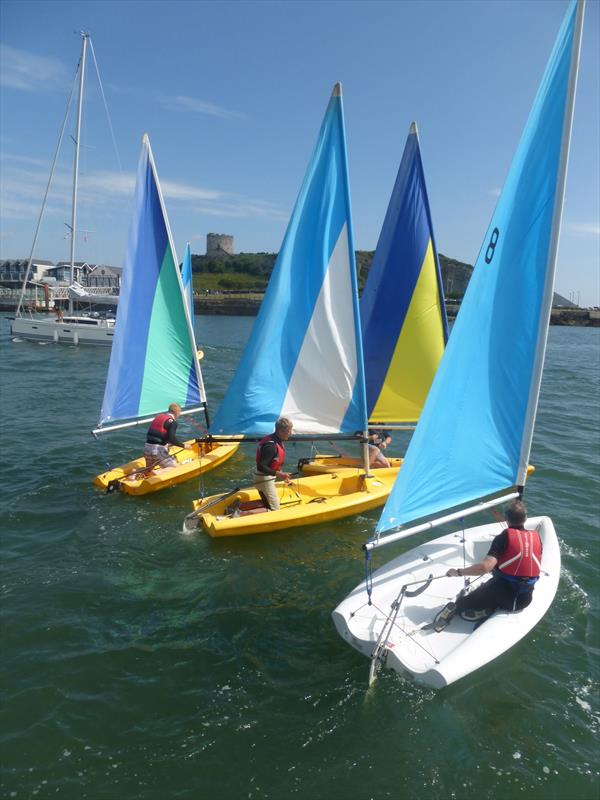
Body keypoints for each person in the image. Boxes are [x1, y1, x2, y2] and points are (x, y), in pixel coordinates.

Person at [433, 499, 543, 631]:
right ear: (525, 518)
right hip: (526, 599)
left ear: (506, 519)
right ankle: (490, 602)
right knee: (490, 586)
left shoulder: (504, 537)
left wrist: (457, 572)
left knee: (464, 602)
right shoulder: (536, 537)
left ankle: (481, 609)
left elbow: (485, 567)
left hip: (508, 598)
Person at [228, 417, 293, 517]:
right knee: (274, 509)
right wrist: (279, 474)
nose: (291, 433)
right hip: (264, 479)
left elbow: (274, 462)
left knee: (265, 502)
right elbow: (261, 466)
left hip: (262, 477)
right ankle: (239, 514)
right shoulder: (271, 446)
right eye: (288, 431)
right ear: (280, 431)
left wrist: (283, 475)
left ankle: (237, 505)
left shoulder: (274, 439)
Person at [143, 403, 193, 470]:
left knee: (148, 469)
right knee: (174, 468)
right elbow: (171, 439)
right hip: (157, 450)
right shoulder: (172, 422)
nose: (179, 415)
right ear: (176, 412)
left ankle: (134, 474)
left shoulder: (158, 416)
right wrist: (184, 446)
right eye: (179, 412)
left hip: (147, 448)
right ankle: (156, 473)